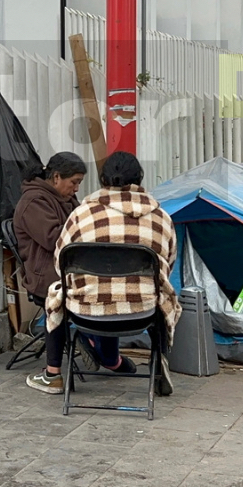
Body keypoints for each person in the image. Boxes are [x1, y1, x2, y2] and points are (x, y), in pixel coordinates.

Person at [38, 151, 181, 396]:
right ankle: (158, 369)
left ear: (103, 181)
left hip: (86, 311)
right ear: (139, 180)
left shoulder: (81, 215)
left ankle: (53, 376)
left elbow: (60, 261)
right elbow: (169, 262)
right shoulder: (161, 217)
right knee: (161, 294)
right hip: (142, 311)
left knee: (56, 295)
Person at [15, 153, 132, 394]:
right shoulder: (33, 202)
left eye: (80, 183)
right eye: (74, 182)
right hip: (47, 276)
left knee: (108, 286)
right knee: (67, 295)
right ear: (56, 177)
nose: (77, 188)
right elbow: (55, 239)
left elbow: (81, 224)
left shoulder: (64, 198)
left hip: (71, 269)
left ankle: (108, 356)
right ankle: (55, 372)